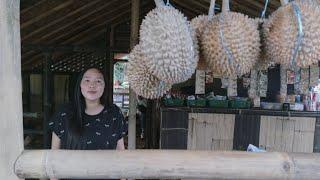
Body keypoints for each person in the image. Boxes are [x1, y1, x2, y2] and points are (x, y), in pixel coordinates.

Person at [49, 67, 127, 180]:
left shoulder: (114, 113)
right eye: (87, 80)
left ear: (105, 86)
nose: (92, 85)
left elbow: (120, 152)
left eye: (98, 81)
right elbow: (54, 154)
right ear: (80, 84)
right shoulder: (64, 113)